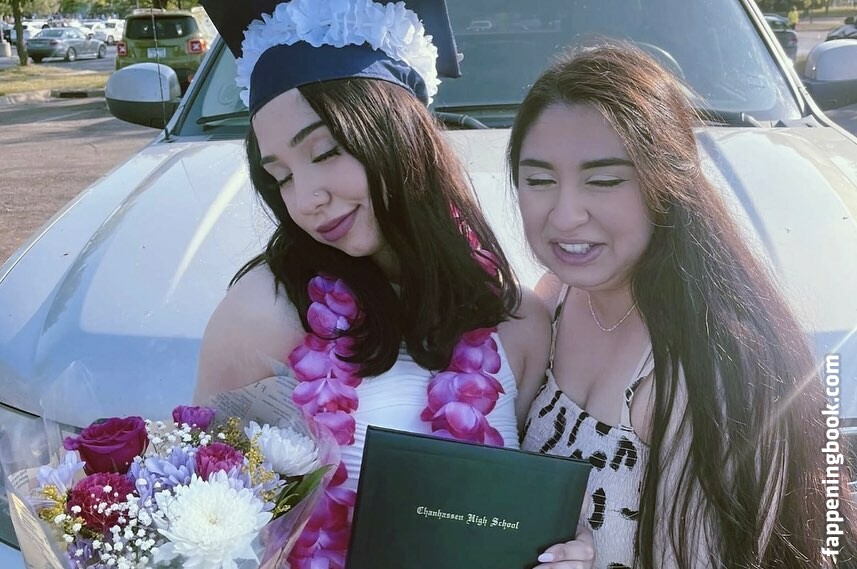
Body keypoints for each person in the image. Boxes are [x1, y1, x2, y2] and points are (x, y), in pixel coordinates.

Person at [192, 1, 595, 567]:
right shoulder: (262, 315)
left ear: (401, 133)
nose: (306, 199)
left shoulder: (519, 323)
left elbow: (512, 513)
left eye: (325, 152)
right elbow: (206, 523)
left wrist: (564, 550)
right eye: (280, 176)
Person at [511, 43, 856, 568]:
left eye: (603, 181)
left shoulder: (714, 370)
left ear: (668, 183)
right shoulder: (553, 299)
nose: (564, 215)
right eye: (539, 181)